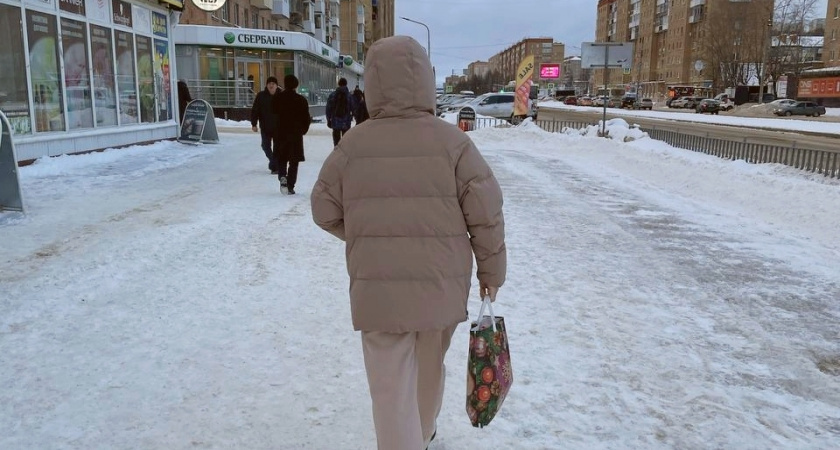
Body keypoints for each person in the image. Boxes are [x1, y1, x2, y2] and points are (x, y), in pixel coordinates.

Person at [310, 36, 506, 450]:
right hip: (441, 284)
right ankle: (424, 432)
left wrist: (368, 232)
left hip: (378, 292)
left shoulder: (353, 146)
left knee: (389, 386)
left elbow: (323, 209)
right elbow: (485, 213)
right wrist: (492, 272)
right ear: (425, 80)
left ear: (375, 82)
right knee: (429, 367)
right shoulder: (454, 144)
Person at [272, 74, 311, 195]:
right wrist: (303, 130)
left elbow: (273, 113)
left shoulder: (278, 98)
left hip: (281, 132)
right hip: (295, 134)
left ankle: (282, 175)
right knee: (294, 161)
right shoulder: (301, 100)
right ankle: (290, 185)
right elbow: (306, 118)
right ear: (296, 85)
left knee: (281, 157)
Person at [251, 76, 280, 173]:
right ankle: (274, 163)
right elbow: (255, 110)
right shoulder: (261, 96)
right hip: (265, 126)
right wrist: (254, 124)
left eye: (273, 84)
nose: (271, 85)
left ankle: (274, 167)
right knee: (265, 146)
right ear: (267, 85)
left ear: (276, 85)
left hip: (279, 127)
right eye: (269, 84)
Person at [325, 77, 357, 145]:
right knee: (345, 142)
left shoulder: (332, 95)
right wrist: (353, 117)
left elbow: (328, 109)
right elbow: (353, 108)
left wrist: (328, 119)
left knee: (336, 143)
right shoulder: (349, 96)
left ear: (338, 84)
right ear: (346, 84)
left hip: (335, 121)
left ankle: (337, 153)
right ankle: (344, 154)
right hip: (346, 122)